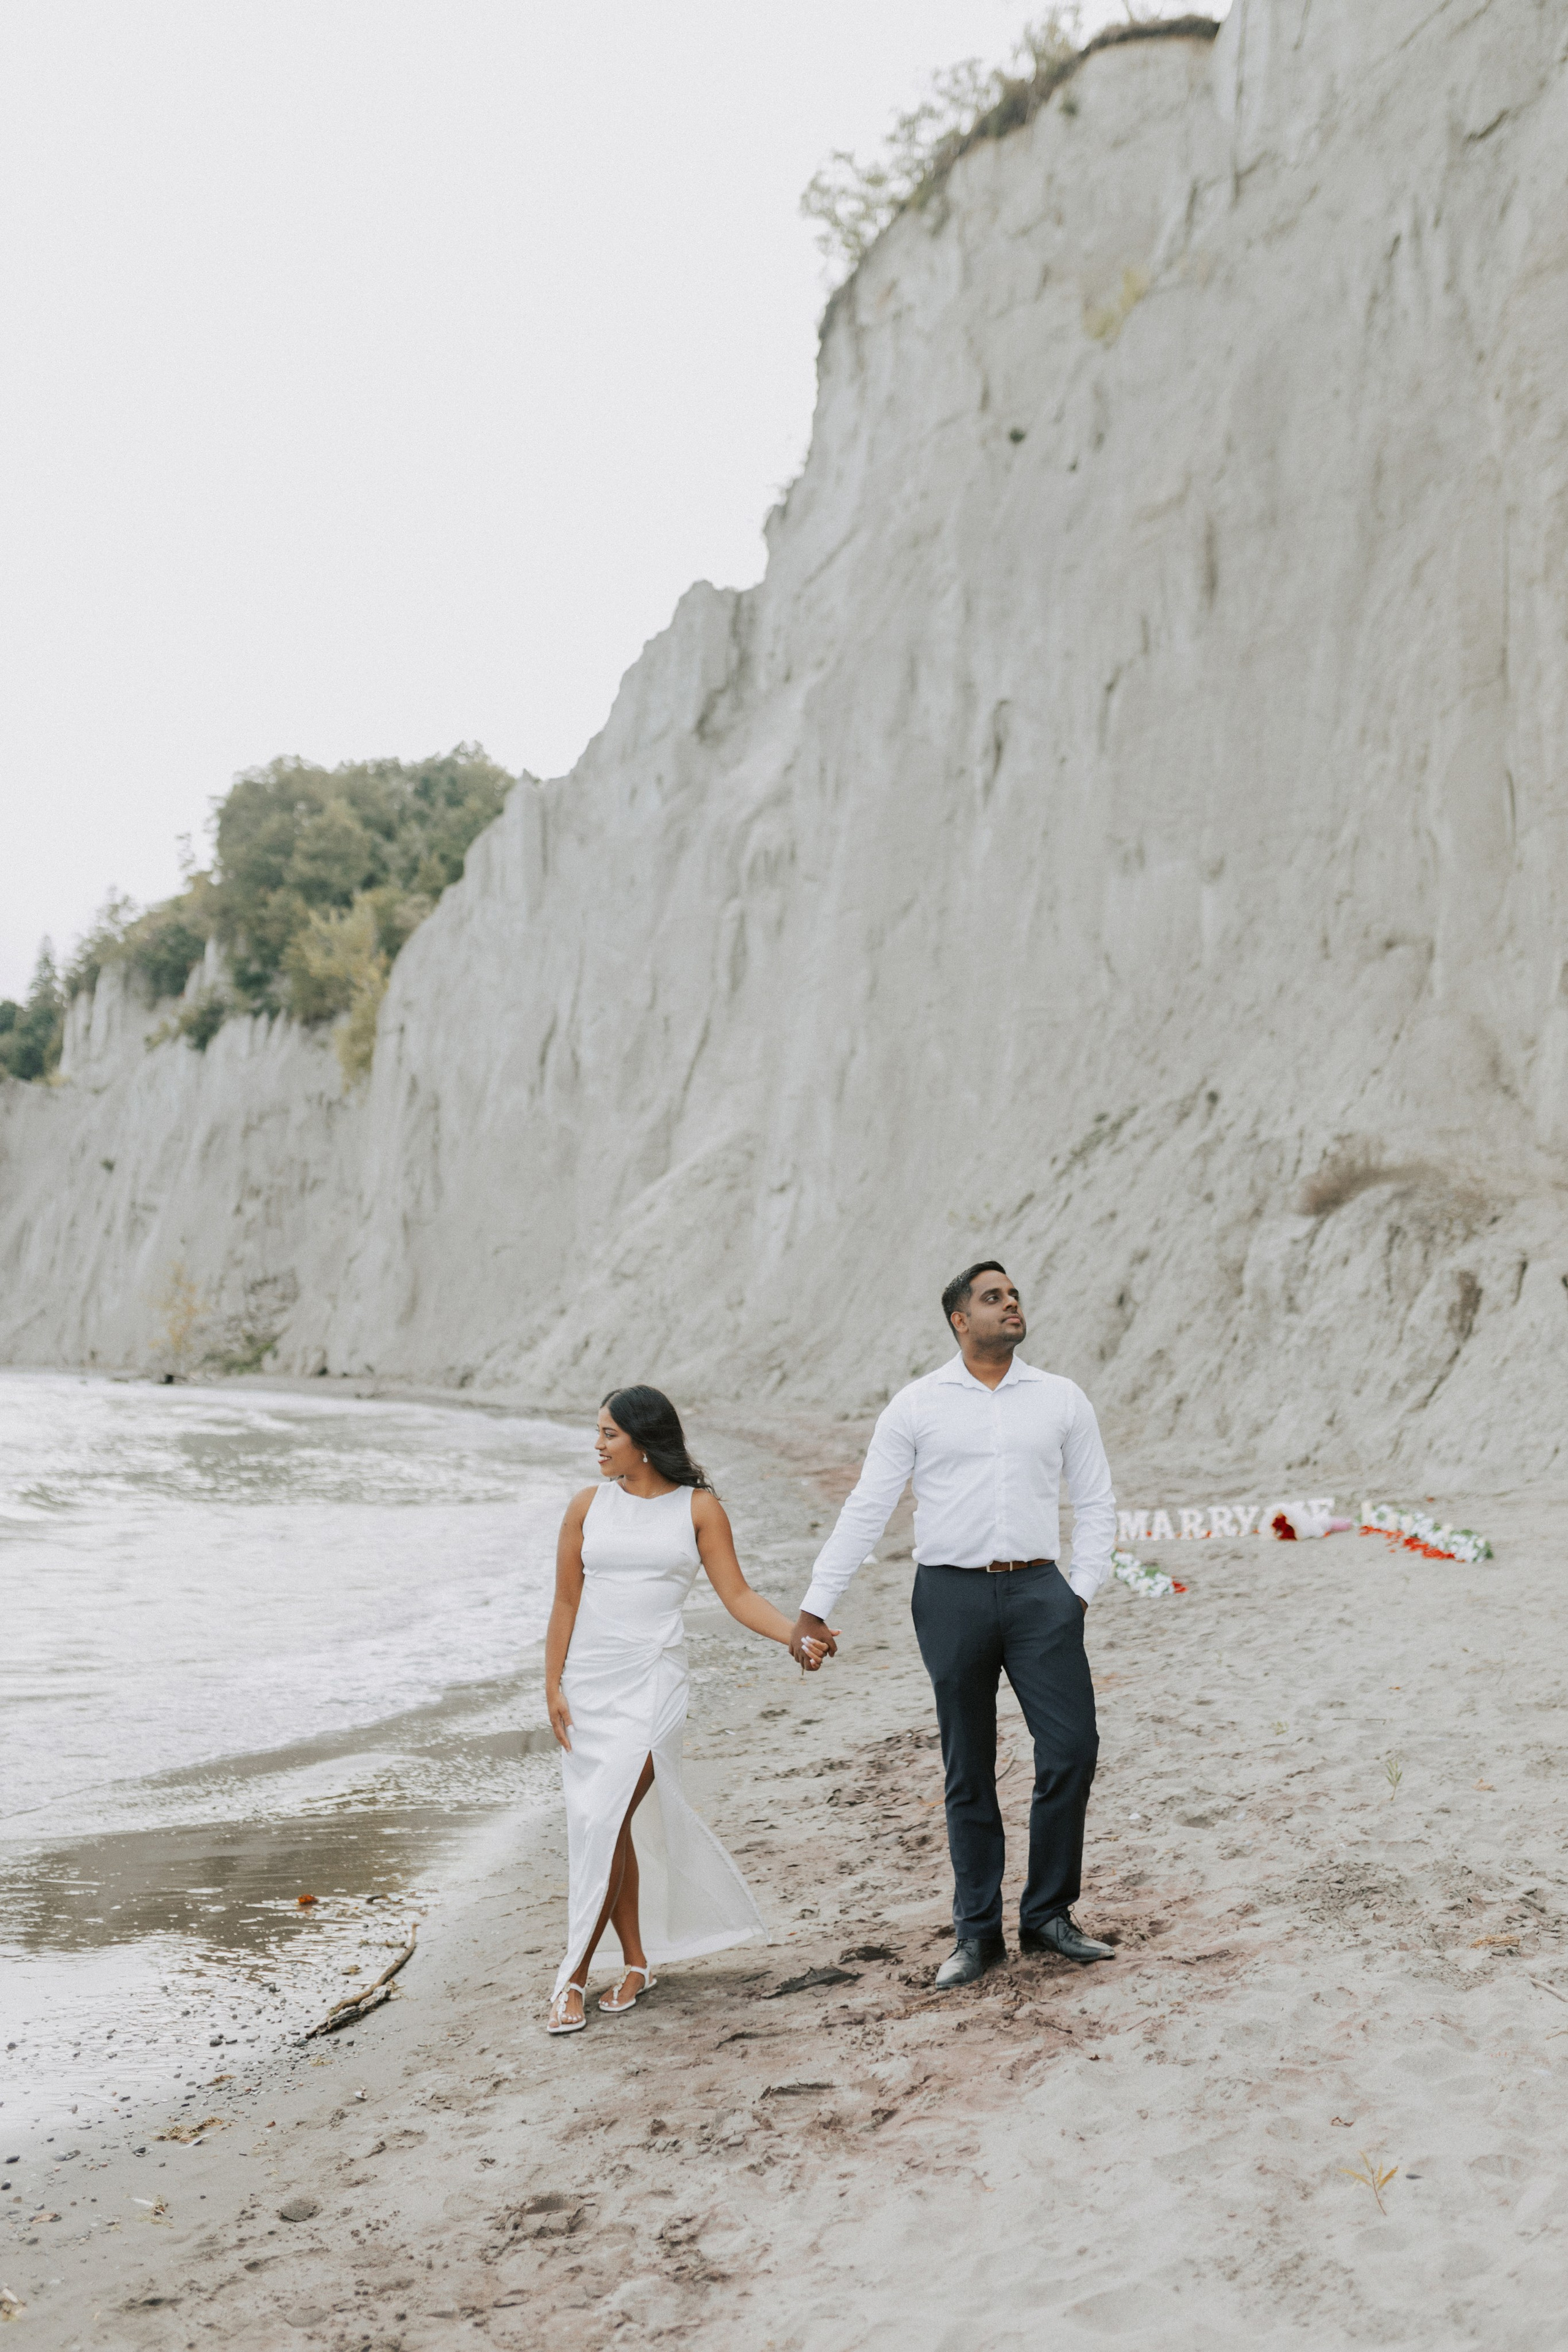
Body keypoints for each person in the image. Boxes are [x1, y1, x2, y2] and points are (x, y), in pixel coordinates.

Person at [790, 1262, 1117, 1989]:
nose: (1010, 1304)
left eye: (1013, 1295)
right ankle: (977, 1935)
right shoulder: (916, 1405)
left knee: (1071, 1749)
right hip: (949, 1597)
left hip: (1041, 1595)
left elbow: (1096, 1502)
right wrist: (817, 1604)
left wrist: (1079, 1592)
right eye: (992, 1298)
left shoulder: (1060, 1398)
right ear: (959, 1321)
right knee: (966, 1767)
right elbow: (868, 1507)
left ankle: (1047, 1916)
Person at [543, 1384, 816, 2034]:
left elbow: (738, 1594)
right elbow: (563, 1603)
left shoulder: (699, 1509)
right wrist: (552, 1685)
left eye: (609, 1433)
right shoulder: (586, 1506)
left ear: (644, 1440)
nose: (598, 1444)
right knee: (598, 1822)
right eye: (598, 1432)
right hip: (590, 1684)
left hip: (655, 1681)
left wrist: (793, 1636)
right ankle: (636, 1963)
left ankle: (571, 1976)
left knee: (606, 1821)